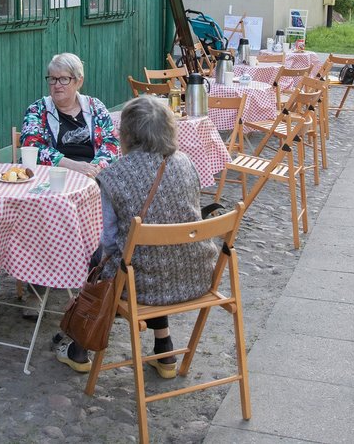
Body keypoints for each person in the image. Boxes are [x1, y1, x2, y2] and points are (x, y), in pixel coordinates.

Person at [55, 96, 219, 377]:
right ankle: (163, 347)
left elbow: (107, 241)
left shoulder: (113, 176)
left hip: (141, 285)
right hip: (196, 276)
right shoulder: (186, 163)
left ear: (127, 133)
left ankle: (80, 345)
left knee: (105, 257)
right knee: (153, 250)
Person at [21, 53, 120, 176]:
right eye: (53, 79)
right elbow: (32, 146)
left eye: (64, 79)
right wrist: (73, 166)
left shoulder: (95, 107)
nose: (57, 85)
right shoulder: (37, 110)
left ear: (79, 81)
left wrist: (95, 169)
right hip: (52, 176)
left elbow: (111, 143)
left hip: (92, 175)